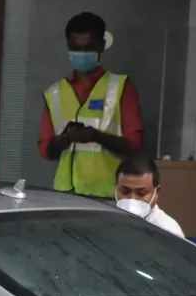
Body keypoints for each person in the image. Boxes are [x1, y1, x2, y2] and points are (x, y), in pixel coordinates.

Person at [38, 12, 144, 199]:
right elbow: (46, 151)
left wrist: (96, 137)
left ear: (102, 46)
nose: (82, 53)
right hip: (65, 194)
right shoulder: (54, 93)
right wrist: (65, 139)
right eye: (76, 48)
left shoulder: (121, 87)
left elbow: (134, 146)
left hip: (108, 195)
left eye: (88, 48)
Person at [115, 156, 184, 237]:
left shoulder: (168, 232)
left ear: (156, 192)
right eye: (125, 191)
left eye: (141, 193)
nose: (132, 199)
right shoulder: (106, 221)